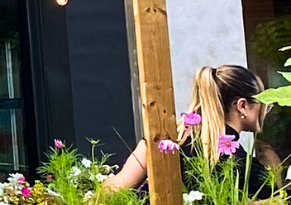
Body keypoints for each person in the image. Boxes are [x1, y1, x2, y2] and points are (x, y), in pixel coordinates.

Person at [103, 64, 279, 196]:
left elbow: (118, 186)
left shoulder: (167, 139)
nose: (265, 111)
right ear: (242, 106)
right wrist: (274, 169)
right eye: (263, 104)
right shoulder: (246, 168)